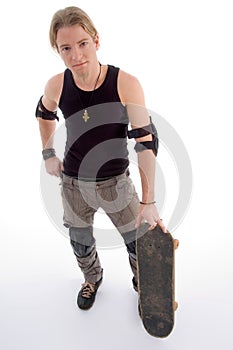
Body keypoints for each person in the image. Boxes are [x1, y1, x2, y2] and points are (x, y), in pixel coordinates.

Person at [36, 6, 166, 311]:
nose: (76, 54)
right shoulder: (57, 84)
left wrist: (148, 201)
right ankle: (92, 278)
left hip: (115, 183)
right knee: (80, 242)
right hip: (73, 185)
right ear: (57, 50)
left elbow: (146, 141)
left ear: (96, 40)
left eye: (82, 44)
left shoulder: (125, 83)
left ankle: (143, 282)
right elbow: (43, 113)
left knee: (138, 242)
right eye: (66, 48)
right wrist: (48, 154)